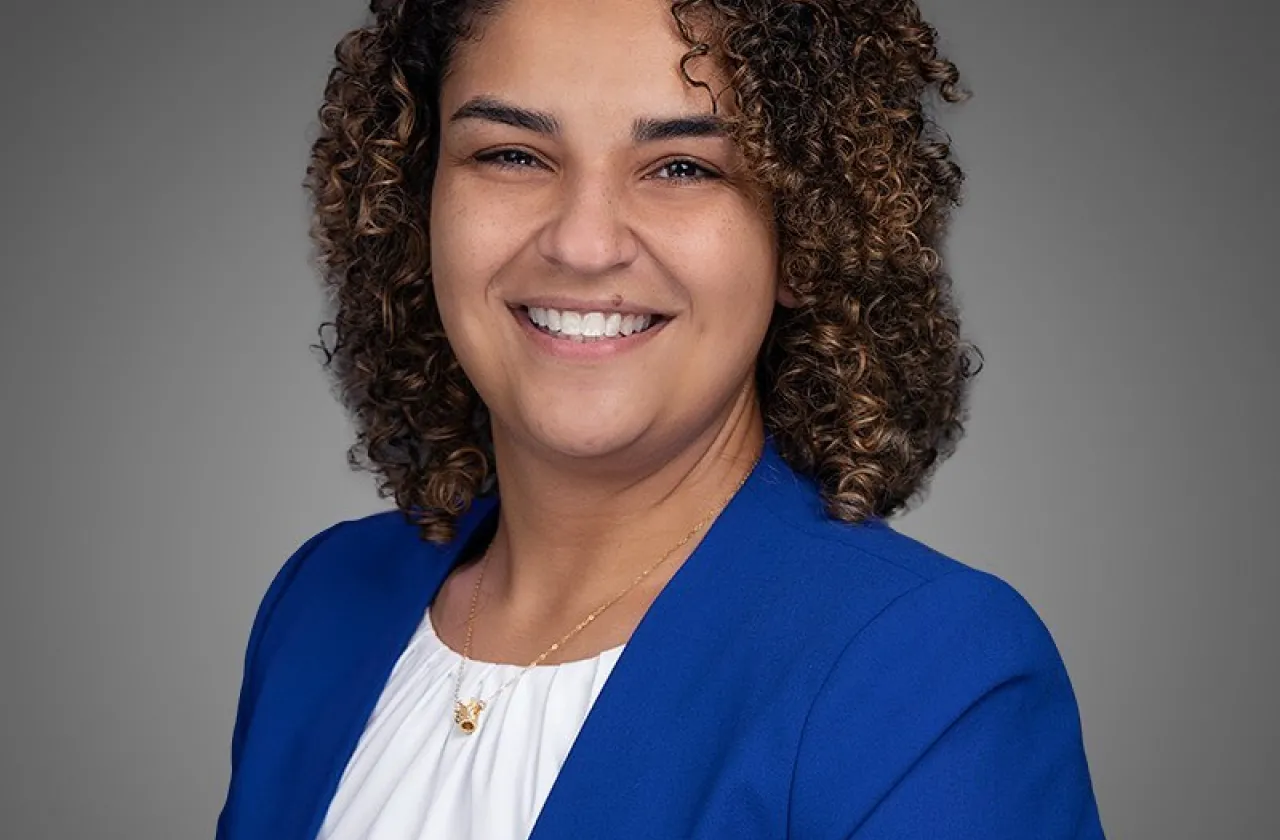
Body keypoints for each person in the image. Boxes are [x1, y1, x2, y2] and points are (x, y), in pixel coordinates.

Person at [216, 0, 1107, 837]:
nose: (583, 243)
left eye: (683, 167)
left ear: (807, 233)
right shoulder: (322, 603)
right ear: (421, 201)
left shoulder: (928, 676)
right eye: (513, 155)